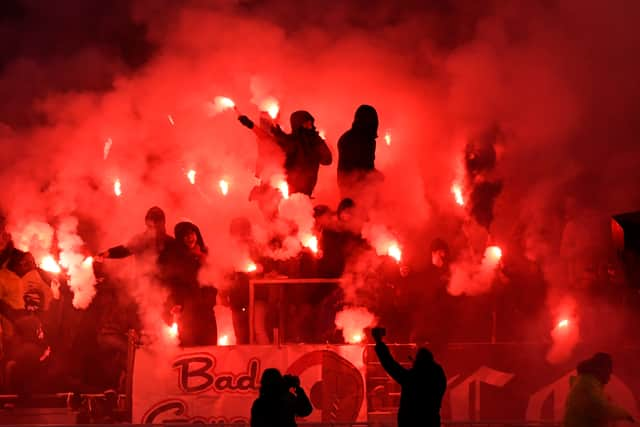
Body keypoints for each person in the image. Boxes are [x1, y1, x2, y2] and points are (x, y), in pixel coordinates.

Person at [240, 110, 332, 197]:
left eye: (310, 123)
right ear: (297, 125)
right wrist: (251, 125)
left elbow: (327, 160)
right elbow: (267, 139)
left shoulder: (315, 141)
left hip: (307, 189)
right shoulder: (290, 141)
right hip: (289, 188)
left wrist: (318, 142)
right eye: (305, 124)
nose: (310, 126)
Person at [372, 327, 447, 427]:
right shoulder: (439, 377)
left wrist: (379, 342)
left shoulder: (412, 378)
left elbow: (390, 364)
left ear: (419, 362)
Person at [159, 221, 217, 346]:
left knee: (210, 349)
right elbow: (174, 284)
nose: (190, 238)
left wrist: (200, 256)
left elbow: (215, 276)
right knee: (189, 349)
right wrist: (176, 303)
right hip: (188, 314)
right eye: (185, 235)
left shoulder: (206, 254)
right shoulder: (177, 258)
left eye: (191, 234)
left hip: (206, 313)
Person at [564, 352, 634, 427]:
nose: (609, 377)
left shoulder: (586, 382)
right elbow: (602, 408)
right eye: (608, 371)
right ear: (600, 369)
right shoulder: (588, 385)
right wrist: (625, 414)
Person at [98, 206, 175, 267]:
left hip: (165, 285)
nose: (154, 227)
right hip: (143, 283)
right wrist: (108, 253)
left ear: (162, 223)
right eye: (151, 225)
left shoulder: (171, 243)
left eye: (157, 223)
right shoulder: (140, 240)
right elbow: (124, 250)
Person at [337, 104, 380, 197]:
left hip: (357, 185)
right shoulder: (354, 139)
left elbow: (367, 165)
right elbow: (359, 167)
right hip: (353, 186)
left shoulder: (367, 139)